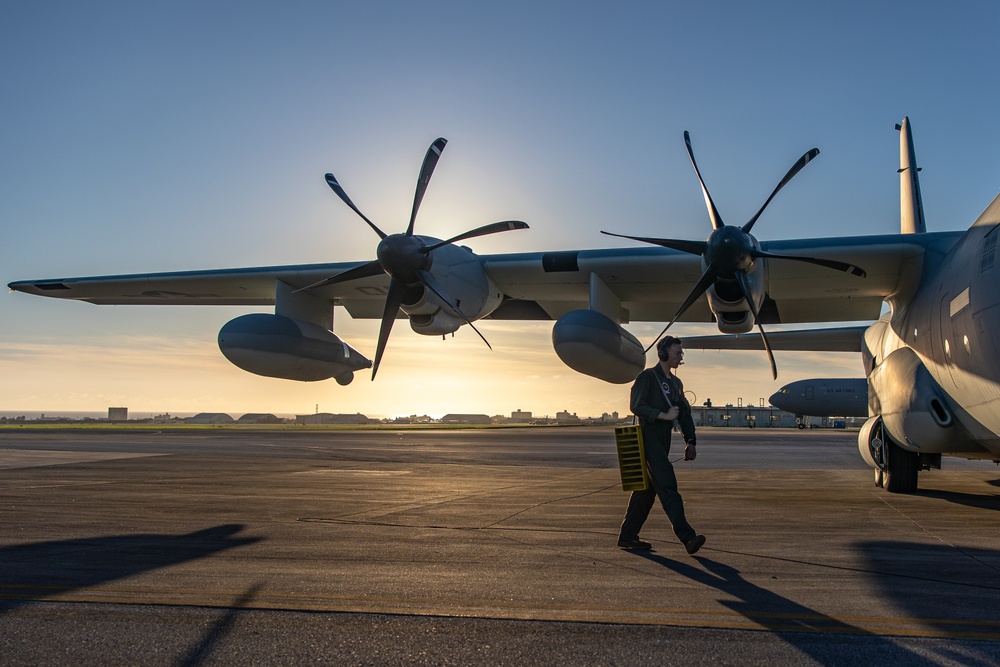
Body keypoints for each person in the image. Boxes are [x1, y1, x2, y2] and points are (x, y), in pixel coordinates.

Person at [617, 336, 706, 555]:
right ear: (663, 354)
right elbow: (636, 405)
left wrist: (691, 441)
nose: (680, 357)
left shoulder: (676, 384)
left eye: (681, 353)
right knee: (668, 486)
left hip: (662, 443)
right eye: (677, 353)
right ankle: (687, 538)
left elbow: (684, 414)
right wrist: (662, 415)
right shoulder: (648, 377)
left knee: (645, 493)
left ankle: (628, 536)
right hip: (648, 442)